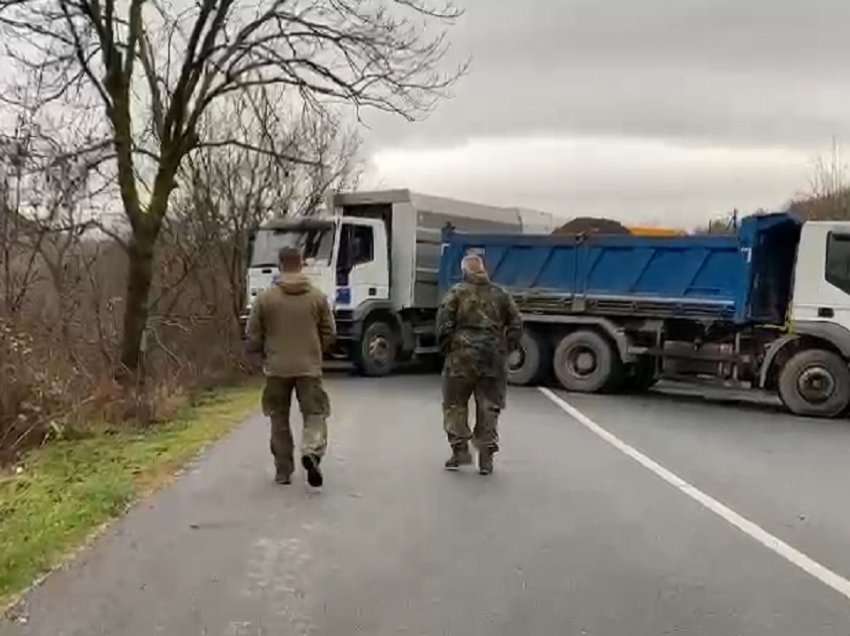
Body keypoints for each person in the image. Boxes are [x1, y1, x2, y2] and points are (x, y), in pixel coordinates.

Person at [246, 246, 335, 487]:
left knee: (278, 418)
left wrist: (261, 355)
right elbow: (329, 332)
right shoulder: (317, 297)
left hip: (276, 368)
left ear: (280, 264)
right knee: (315, 414)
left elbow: (253, 335)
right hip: (309, 366)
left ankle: (283, 471)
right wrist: (316, 351)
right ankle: (311, 451)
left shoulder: (265, 298)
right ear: (301, 264)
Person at [436, 253, 522, 475]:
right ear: (483, 270)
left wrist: (448, 349)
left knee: (455, 405)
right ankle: (486, 459)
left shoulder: (457, 293)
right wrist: (505, 347)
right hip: (492, 358)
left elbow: (444, 325)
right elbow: (516, 323)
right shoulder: (501, 294)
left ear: (465, 271)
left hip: (461, 358)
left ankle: (460, 451)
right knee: (489, 407)